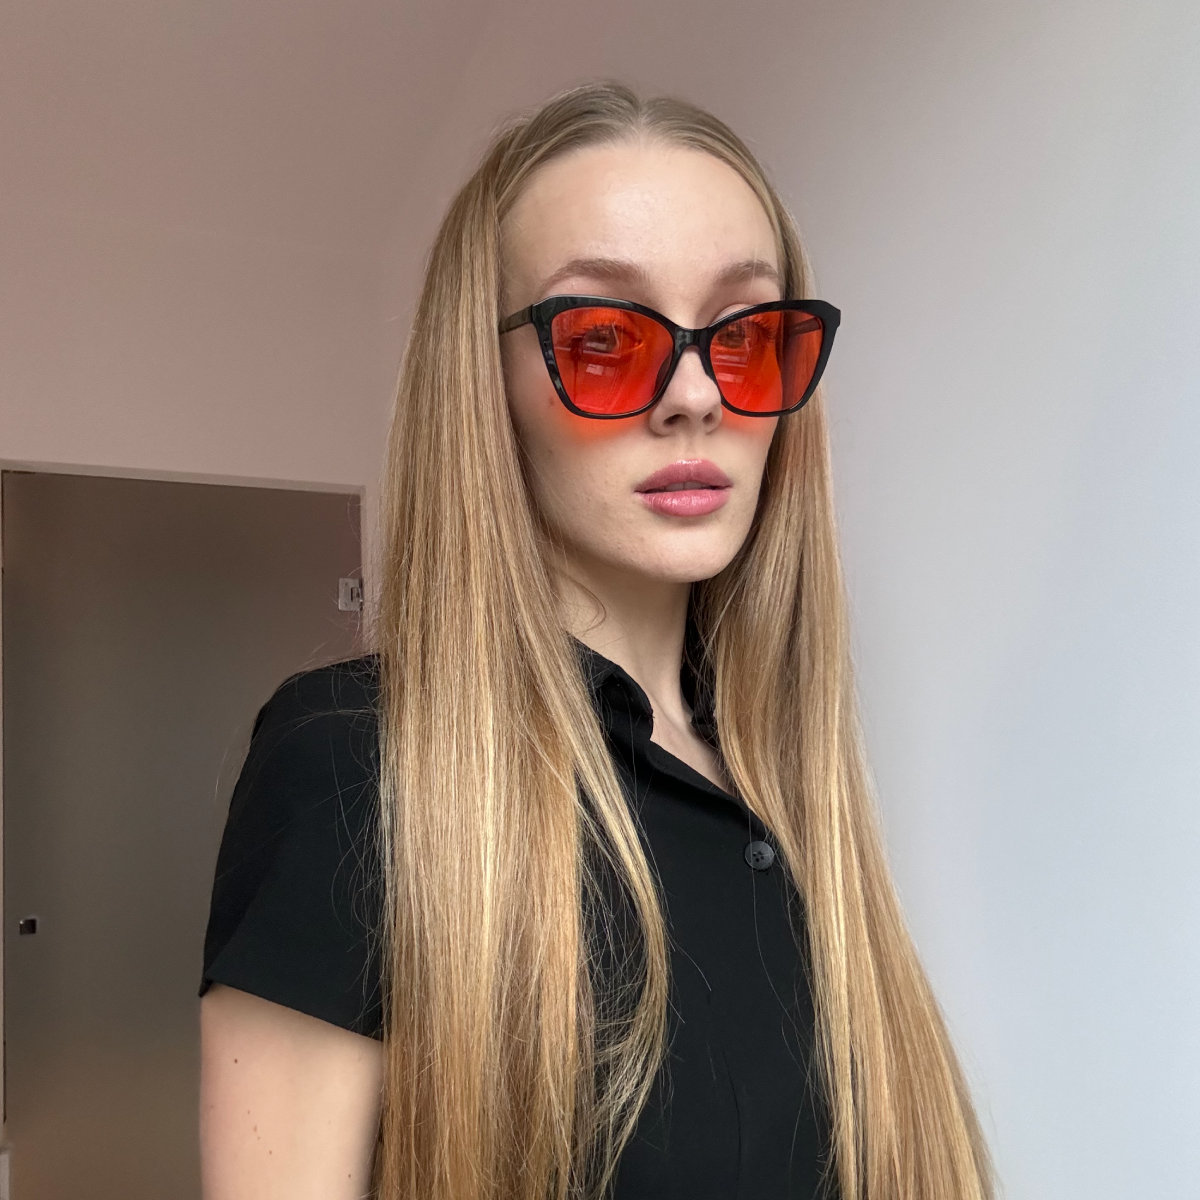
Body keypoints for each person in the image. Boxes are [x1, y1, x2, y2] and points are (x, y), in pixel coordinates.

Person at [198, 82, 993, 1200]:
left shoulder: (790, 784)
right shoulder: (354, 761)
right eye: (606, 338)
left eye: (745, 335)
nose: (696, 395)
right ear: (487, 384)